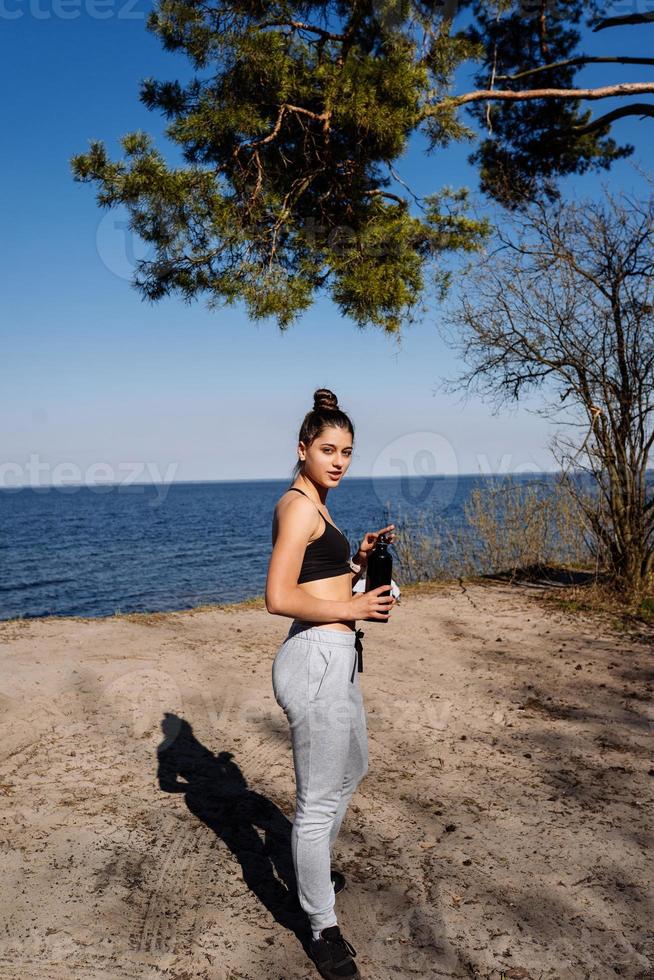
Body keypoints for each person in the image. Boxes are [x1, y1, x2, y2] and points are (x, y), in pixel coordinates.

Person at [265, 388, 396, 980]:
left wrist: (358, 563)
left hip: (336, 655)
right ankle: (320, 925)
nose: (339, 460)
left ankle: (309, 865)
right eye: (328, 450)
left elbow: (319, 580)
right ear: (302, 449)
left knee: (353, 768)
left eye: (347, 451)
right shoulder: (297, 506)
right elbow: (278, 597)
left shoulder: (319, 503)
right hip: (315, 658)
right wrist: (357, 609)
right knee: (317, 803)